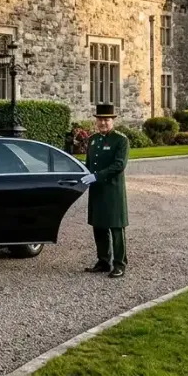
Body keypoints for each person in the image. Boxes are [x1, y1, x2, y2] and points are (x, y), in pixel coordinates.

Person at [79, 102, 129, 278]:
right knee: (98, 226)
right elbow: (88, 164)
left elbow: (119, 165)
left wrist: (97, 176)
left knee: (116, 227)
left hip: (113, 190)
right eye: (100, 120)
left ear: (113, 121)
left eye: (106, 120)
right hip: (97, 191)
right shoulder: (93, 139)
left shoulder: (120, 140)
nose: (103, 123)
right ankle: (103, 261)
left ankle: (119, 264)